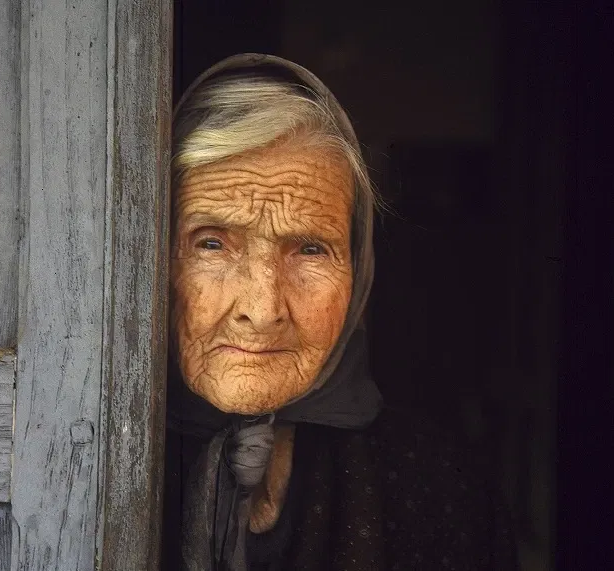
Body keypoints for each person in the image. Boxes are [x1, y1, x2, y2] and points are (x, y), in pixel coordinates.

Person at [162, 54, 518, 571]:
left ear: (360, 268)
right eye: (212, 244)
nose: (262, 310)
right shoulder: (74, 461)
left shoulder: (441, 489)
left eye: (309, 249)